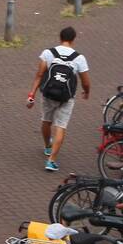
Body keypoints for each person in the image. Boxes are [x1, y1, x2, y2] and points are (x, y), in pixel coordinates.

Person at [27, 26, 91, 172]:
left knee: (46, 120)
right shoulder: (79, 58)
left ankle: (47, 147)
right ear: (73, 39)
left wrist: (32, 93)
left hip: (48, 93)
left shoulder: (48, 53)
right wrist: (86, 92)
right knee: (60, 126)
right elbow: (85, 81)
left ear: (60, 37)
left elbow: (39, 75)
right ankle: (51, 161)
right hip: (66, 97)